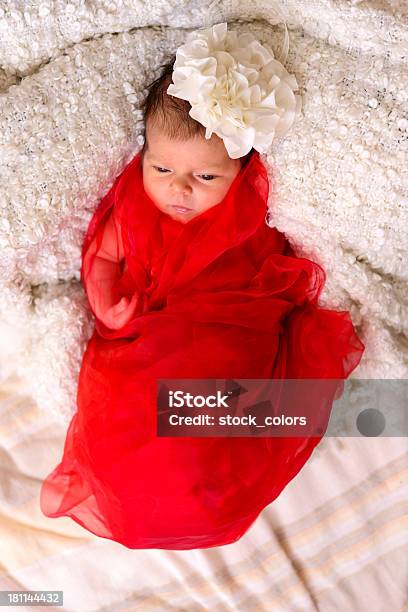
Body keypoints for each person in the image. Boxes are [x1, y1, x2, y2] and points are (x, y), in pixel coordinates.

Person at [40, 23, 365, 550]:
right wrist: (107, 302)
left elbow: (273, 284)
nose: (178, 188)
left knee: (209, 418)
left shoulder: (250, 217)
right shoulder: (135, 205)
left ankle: (199, 474)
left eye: (206, 177)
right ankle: (157, 483)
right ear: (142, 156)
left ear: (241, 173)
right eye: (161, 167)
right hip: (146, 338)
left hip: (226, 332)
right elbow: (101, 255)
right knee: (131, 419)